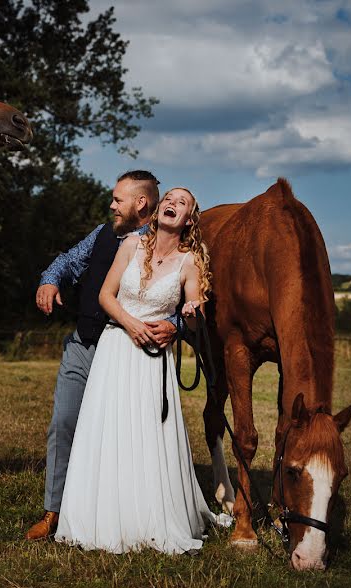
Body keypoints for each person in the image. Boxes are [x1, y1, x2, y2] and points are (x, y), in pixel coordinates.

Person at [54, 187, 228, 554]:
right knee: (108, 430)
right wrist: (131, 325)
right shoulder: (131, 246)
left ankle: (148, 518)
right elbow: (105, 295)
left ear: (189, 219)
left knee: (148, 434)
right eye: (170, 198)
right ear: (158, 206)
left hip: (154, 359)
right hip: (116, 347)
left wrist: (185, 321)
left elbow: (194, 313)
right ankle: (99, 515)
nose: (173, 203)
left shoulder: (190, 262)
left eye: (183, 203)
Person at [25, 170, 177, 541]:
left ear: (140, 204)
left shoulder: (165, 244)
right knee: (63, 422)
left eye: (117, 199)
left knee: (121, 438)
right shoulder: (102, 234)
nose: (111, 205)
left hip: (128, 356)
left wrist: (177, 324)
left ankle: (120, 516)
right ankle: (53, 512)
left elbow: (186, 295)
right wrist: (49, 279)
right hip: (84, 343)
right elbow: (68, 261)